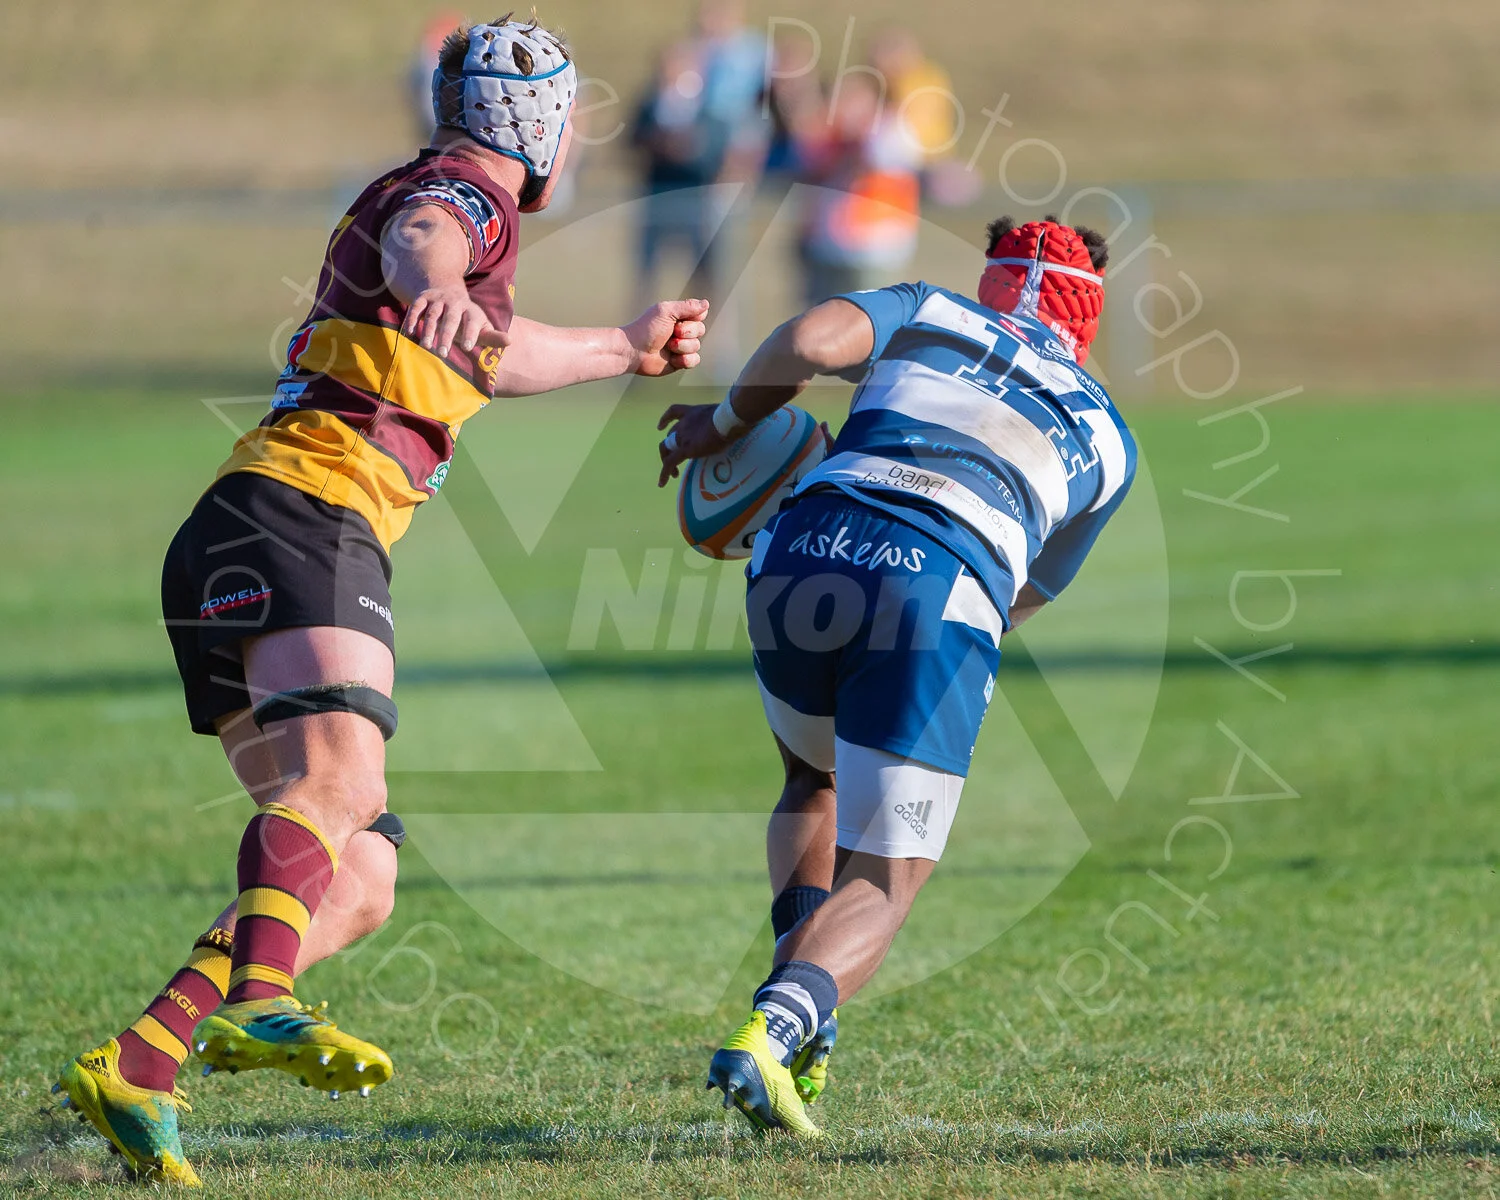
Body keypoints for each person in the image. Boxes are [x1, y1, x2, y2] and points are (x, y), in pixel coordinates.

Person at [53, 16, 709, 1185]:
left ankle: (140, 1063)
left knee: (356, 881)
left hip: (248, 526)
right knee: (342, 783)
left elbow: (495, 353)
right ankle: (260, 1002)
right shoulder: (466, 192)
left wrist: (624, 345)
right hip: (305, 514)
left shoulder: (456, 210)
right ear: (544, 123)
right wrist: (439, 279)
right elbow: (427, 237)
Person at [658, 216, 1131, 1137]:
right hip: (943, 581)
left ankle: (801, 1002)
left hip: (803, 543)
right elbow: (1026, 590)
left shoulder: (933, 311)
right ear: (1089, 321)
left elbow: (804, 342)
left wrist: (718, 425)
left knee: (814, 776)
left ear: (993, 285)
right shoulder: (1109, 435)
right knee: (890, 868)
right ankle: (783, 1023)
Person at [793, 73, 922, 307]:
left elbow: (874, 161)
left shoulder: (890, 129)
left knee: (867, 324)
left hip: (875, 248)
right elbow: (810, 169)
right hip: (827, 246)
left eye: (851, 96)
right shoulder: (831, 133)